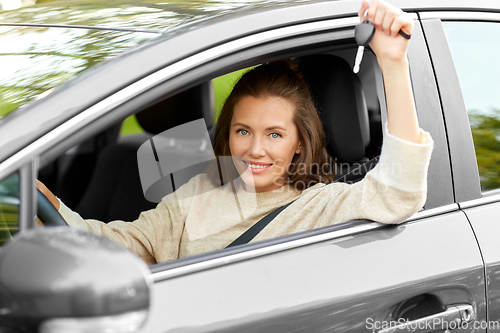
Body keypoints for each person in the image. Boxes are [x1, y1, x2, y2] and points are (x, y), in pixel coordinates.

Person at [37, 0, 433, 265]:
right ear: (227, 133)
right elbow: (128, 245)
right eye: (243, 131)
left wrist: (393, 62)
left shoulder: (321, 204)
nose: (255, 150)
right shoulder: (197, 194)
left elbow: (397, 194)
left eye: (275, 134)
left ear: (300, 143)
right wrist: (45, 206)